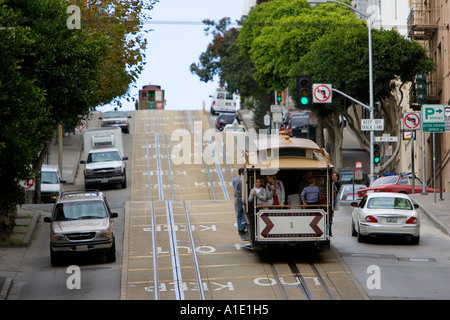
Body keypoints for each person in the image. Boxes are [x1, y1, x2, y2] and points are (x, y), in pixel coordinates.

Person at [232, 168, 246, 235]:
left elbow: (235, 189)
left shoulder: (235, 179)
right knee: (244, 214)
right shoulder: (245, 179)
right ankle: (241, 228)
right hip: (243, 199)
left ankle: (239, 229)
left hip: (237, 199)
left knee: (238, 215)